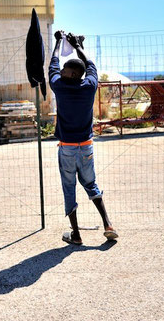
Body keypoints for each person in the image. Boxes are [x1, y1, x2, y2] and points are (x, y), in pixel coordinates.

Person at [49, 30, 118, 245]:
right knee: (91, 184)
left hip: (67, 148)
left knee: (69, 188)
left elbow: (52, 64)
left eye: (64, 70)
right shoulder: (89, 87)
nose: (60, 71)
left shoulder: (59, 86)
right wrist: (78, 46)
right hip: (86, 146)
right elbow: (90, 67)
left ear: (69, 75)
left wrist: (59, 42)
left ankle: (76, 234)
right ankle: (107, 224)